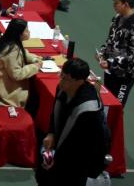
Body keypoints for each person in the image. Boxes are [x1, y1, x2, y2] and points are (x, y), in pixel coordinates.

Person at [36, 58, 109, 186]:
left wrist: (58, 159)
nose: (61, 81)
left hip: (76, 160)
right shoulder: (62, 89)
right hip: (59, 150)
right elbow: (55, 113)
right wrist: (51, 133)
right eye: (61, 75)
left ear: (79, 81)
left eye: (65, 78)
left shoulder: (90, 108)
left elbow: (88, 144)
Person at [96, 0, 134, 106]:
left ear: (126, 4)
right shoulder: (117, 18)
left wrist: (111, 63)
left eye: (116, 3)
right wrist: (102, 53)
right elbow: (111, 40)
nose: (114, 6)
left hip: (126, 75)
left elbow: (133, 55)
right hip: (110, 71)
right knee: (106, 101)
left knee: (117, 106)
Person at [0, 18, 42, 106]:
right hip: (7, 94)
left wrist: (34, 59)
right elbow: (16, 74)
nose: (29, 32)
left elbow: (23, 52)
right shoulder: (12, 51)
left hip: (3, 85)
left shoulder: (9, 41)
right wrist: (35, 67)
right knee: (36, 98)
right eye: (26, 30)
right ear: (19, 34)